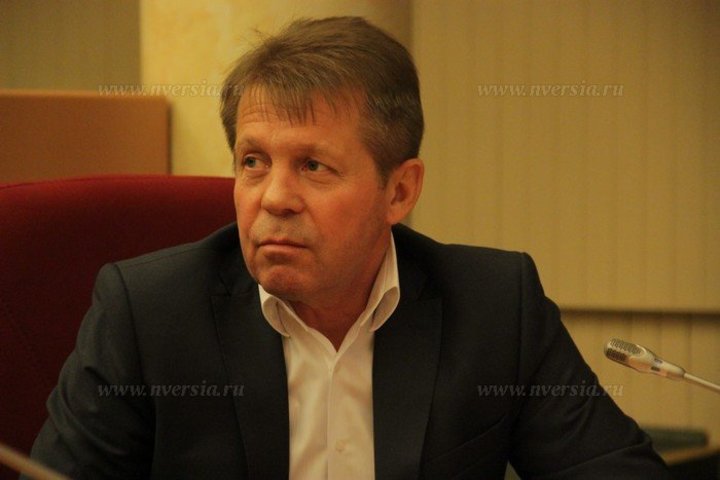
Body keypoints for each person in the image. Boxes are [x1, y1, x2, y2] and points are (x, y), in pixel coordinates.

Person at [27, 16, 671, 479]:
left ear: (400, 190)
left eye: (313, 166)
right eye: (253, 162)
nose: (274, 197)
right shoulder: (149, 312)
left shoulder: (496, 307)